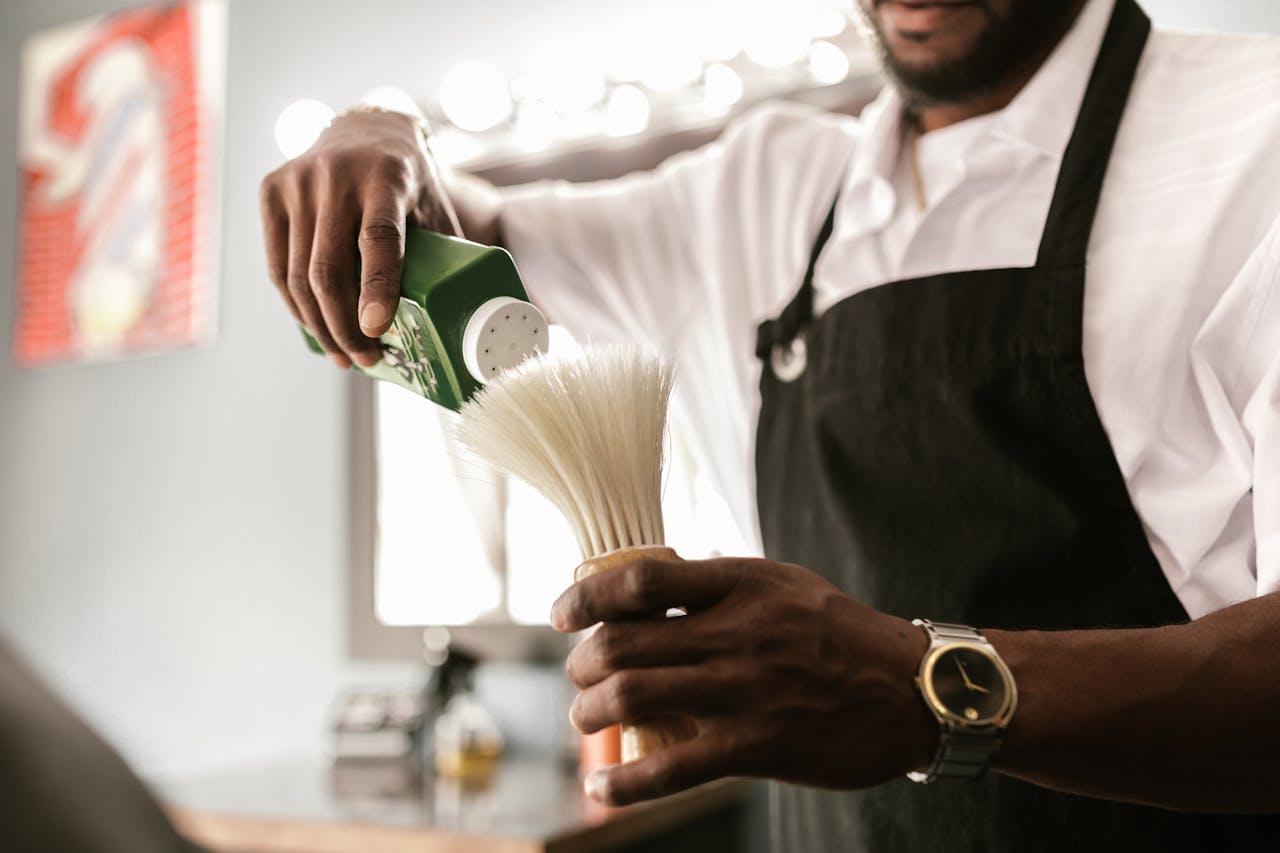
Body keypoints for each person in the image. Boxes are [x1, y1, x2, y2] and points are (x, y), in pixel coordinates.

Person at [259, 0, 1280, 849]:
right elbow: (458, 235)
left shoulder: (1252, 134)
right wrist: (376, 134)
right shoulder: (761, 190)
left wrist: (917, 686)